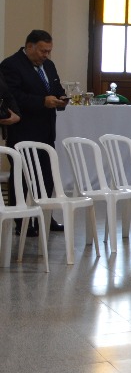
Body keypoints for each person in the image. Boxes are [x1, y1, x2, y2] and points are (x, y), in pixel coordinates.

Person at [1, 30, 69, 232]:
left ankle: (44, 217)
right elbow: (13, 97)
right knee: (22, 176)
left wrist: (61, 99)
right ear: (29, 46)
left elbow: (56, 88)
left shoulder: (49, 65)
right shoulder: (11, 65)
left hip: (46, 131)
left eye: (48, 51)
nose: (46, 55)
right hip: (23, 131)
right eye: (42, 51)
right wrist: (42, 101)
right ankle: (21, 222)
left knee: (46, 176)